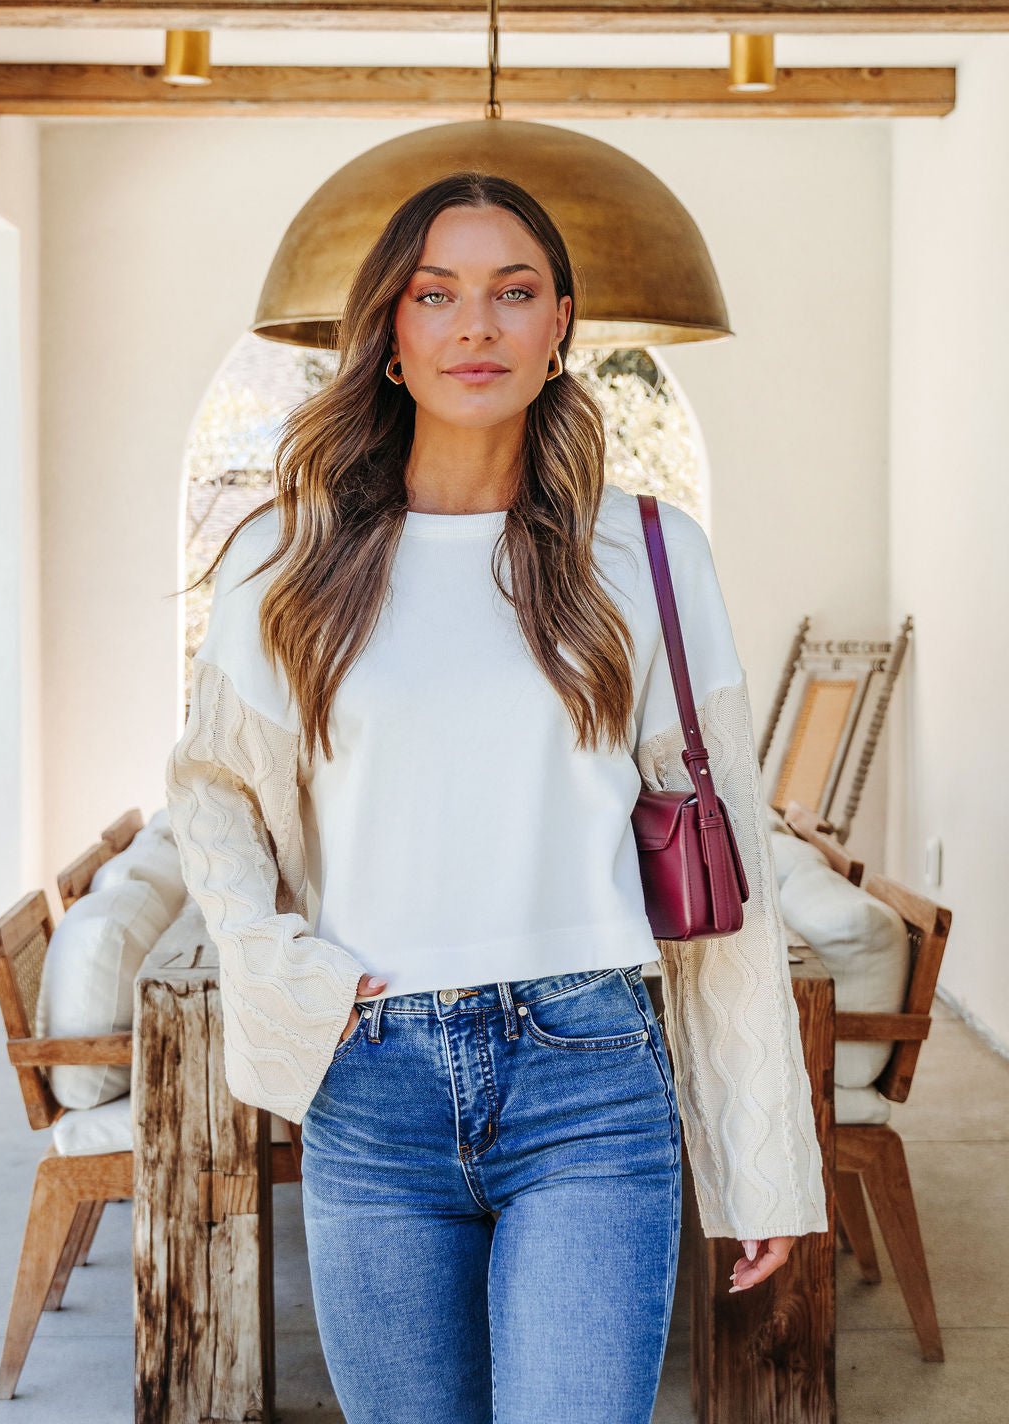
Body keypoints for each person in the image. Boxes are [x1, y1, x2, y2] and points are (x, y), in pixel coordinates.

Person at [164, 170, 828, 1424]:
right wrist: (279, 964)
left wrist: (762, 1164)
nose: (476, 325)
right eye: (437, 295)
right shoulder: (283, 556)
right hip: (371, 1080)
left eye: (513, 293)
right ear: (391, 332)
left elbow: (728, 867)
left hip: (591, 1079)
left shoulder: (649, 554)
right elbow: (214, 800)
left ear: (559, 324)